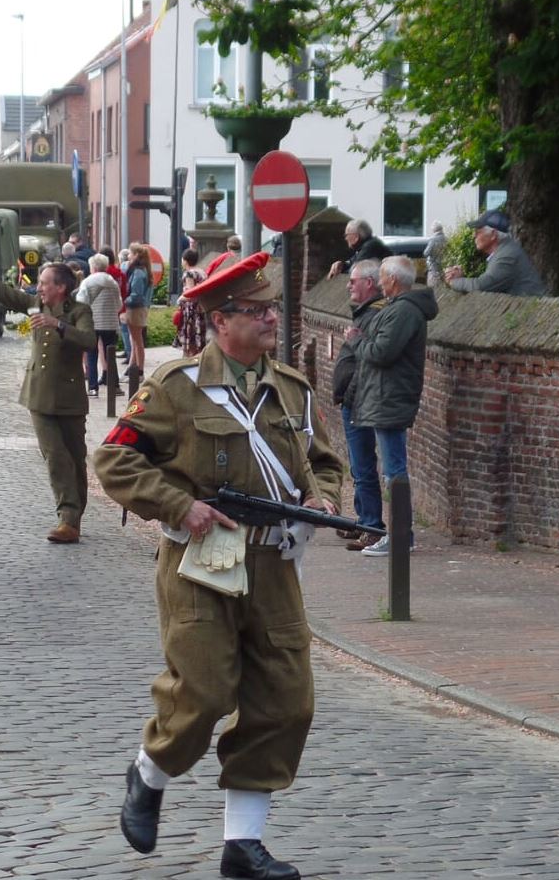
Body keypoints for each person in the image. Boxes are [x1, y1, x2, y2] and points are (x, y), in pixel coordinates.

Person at [94, 251, 342, 879]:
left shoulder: (292, 389)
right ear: (219, 320)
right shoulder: (175, 389)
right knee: (203, 692)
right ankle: (149, 772)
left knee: (286, 701)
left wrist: (322, 500)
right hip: (202, 562)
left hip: (276, 565)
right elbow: (115, 461)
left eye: (272, 309)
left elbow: (326, 463)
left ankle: (242, 846)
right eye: (257, 311)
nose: (270, 320)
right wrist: (181, 505)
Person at [0, 245, 95, 543]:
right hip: (38, 395)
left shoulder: (79, 311)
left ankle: (75, 513)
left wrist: (59, 325)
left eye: (44, 282)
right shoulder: (34, 305)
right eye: (39, 283)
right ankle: (67, 517)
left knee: (76, 458)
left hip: (69, 398)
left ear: (61, 288)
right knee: (55, 455)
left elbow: (89, 340)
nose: (38, 287)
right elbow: (0, 291)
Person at [350, 254, 439, 556]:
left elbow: (382, 352)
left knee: (394, 471)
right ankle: (400, 534)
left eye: (384, 278)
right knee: (392, 469)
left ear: (392, 281)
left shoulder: (403, 312)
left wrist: (357, 341)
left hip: (391, 397)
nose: (380, 282)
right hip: (386, 396)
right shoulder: (397, 309)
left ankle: (402, 536)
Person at [331, 259, 388, 551]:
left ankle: (372, 527)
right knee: (357, 464)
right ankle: (364, 518)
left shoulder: (375, 315)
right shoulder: (365, 313)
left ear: (369, 283)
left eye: (353, 281)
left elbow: (371, 357)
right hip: (354, 398)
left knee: (364, 465)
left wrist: (350, 391)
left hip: (361, 399)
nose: (349, 286)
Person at [443, 209, 546, 296]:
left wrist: (454, 281)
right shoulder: (504, 250)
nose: (474, 236)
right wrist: (461, 278)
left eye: (478, 232)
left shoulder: (506, 256)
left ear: (493, 235)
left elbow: (481, 286)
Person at [76, 252, 121, 396]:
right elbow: (119, 304)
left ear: (93, 267)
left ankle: (93, 388)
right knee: (110, 356)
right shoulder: (112, 282)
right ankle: (115, 386)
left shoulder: (88, 282)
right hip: (110, 323)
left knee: (92, 355)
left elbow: (81, 303)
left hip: (93, 323)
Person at [327, 218, 393, 279]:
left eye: (346, 235)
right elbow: (352, 262)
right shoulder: (365, 245)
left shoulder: (370, 246)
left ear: (356, 237)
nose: (345, 238)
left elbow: (356, 269)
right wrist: (342, 265)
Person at [123, 244, 152, 376]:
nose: (128, 256)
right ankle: (132, 366)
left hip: (135, 309)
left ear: (136, 255)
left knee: (136, 339)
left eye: (130, 253)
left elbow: (136, 295)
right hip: (138, 308)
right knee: (134, 338)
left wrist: (124, 301)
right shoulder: (142, 270)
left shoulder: (138, 272)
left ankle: (139, 369)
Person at [172, 248, 207, 356]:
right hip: (201, 309)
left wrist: (180, 299)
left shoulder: (189, 274)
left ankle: (189, 364)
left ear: (185, 261)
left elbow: (190, 293)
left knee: (190, 341)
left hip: (191, 311)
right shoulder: (202, 272)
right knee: (199, 340)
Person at [423, 221, 446, 287]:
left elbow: (426, 253)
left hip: (433, 268)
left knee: (433, 289)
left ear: (434, 230)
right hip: (443, 268)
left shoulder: (433, 240)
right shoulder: (447, 239)